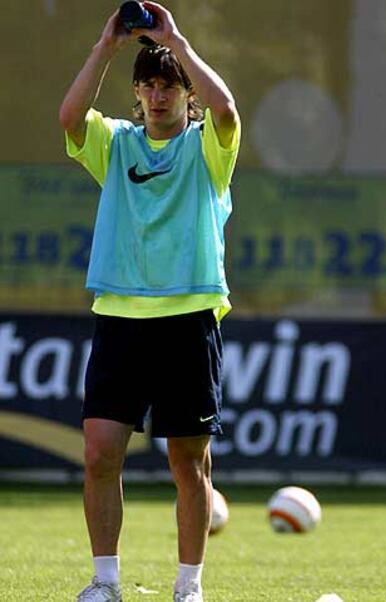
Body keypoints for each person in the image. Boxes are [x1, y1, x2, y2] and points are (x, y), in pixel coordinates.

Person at [59, 2, 240, 601]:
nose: (158, 96)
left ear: (185, 95)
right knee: (98, 454)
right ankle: (104, 583)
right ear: (136, 93)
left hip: (187, 320)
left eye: (169, 86)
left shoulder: (208, 150)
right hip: (119, 319)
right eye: (149, 85)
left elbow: (227, 110)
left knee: (189, 466)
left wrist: (178, 43)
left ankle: (188, 588)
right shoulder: (116, 144)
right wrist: (105, 48)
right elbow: (70, 118)